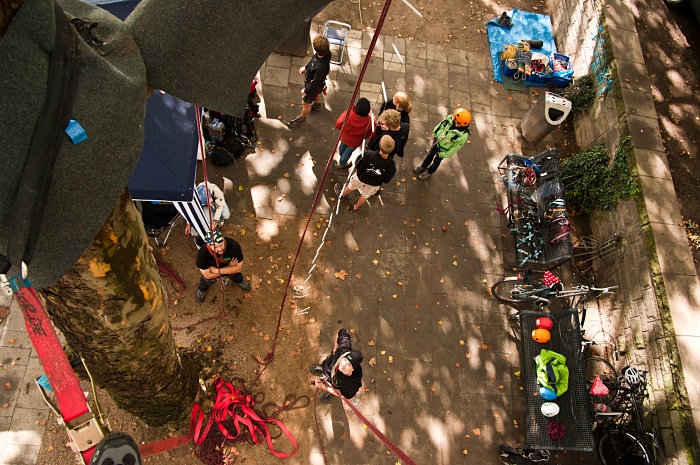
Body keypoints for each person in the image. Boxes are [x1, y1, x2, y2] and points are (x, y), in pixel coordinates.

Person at [334, 135, 396, 213]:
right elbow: (387, 180)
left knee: (351, 186)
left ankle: (341, 195)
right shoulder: (391, 165)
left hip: (360, 176)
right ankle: (355, 207)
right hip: (374, 183)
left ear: (379, 144)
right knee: (365, 196)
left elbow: (357, 163)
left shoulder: (369, 154)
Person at [414, 108, 472, 180]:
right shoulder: (450, 119)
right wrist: (435, 133)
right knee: (430, 155)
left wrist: (444, 154)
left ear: (461, 124)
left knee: (436, 162)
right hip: (437, 141)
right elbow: (441, 125)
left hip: (443, 150)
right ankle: (424, 165)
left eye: (457, 121)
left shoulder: (462, 135)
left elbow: (455, 148)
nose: (454, 120)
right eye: (455, 119)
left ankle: (429, 172)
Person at [286, 36, 332, 128]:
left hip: (313, 86)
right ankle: (316, 104)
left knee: (306, 103)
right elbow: (313, 60)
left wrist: (306, 91)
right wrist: (306, 67)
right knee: (317, 93)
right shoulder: (326, 54)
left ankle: (302, 118)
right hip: (319, 85)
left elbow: (314, 82)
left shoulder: (320, 68)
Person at [195, 230, 250, 304]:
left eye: (221, 245)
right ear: (209, 245)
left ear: (223, 240)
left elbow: (238, 268)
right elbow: (207, 275)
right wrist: (230, 267)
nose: (220, 249)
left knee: (237, 276)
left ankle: (240, 281)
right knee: (205, 281)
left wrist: (215, 271)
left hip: (218, 271)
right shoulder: (202, 254)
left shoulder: (233, 246)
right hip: (225, 271)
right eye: (216, 247)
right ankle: (202, 289)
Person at [310, 328, 364, 403]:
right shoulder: (343, 350)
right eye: (345, 360)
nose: (343, 365)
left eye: (349, 365)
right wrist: (335, 350)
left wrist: (323, 387)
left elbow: (342, 395)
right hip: (328, 366)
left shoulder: (351, 384)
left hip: (335, 384)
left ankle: (329, 391)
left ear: (352, 369)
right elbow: (341, 331)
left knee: (333, 386)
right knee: (326, 366)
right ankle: (322, 369)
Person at [334, 97, 373, 170]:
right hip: (355, 142)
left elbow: (338, 124)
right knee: (348, 152)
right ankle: (342, 163)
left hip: (344, 137)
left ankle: (342, 162)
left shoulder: (348, 114)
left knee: (341, 148)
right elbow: (370, 134)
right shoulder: (370, 121)